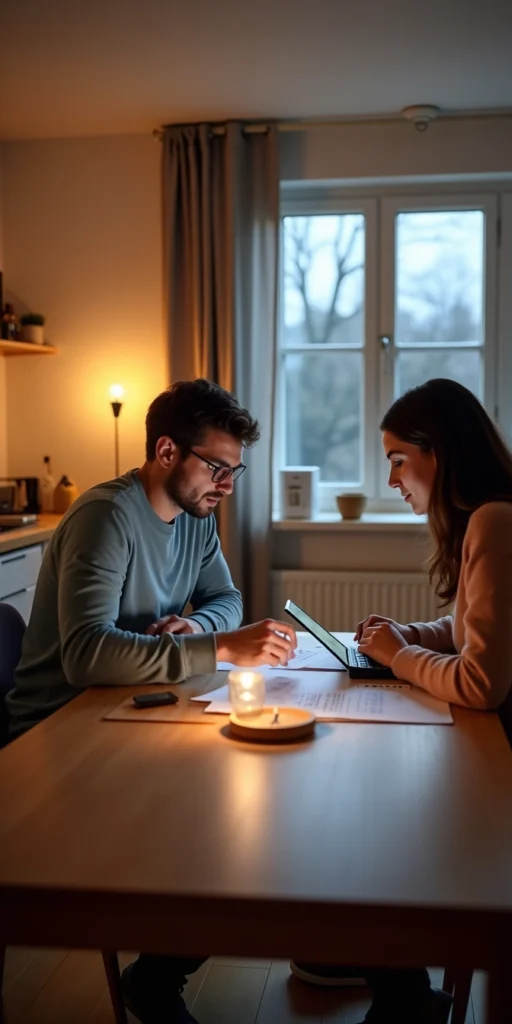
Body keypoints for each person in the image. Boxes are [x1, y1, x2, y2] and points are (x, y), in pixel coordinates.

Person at [6, 377, 297, 1024]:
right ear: (166, 452)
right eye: (216, 468)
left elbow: (225, 600)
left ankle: (160, 975)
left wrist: (197, 627)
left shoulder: (195, 519)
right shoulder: (105, 518)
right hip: (57, 739)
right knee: (224, 826)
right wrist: (220, 649)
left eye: (234, 472)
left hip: (133, 712)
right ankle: (158, 982)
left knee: (251, 808)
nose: (225, 486)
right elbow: (86, 657)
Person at [294, 378, 512, 1024]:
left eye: (398, 459)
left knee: (370, 825)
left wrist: (399, 656)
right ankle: (389, 971)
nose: (393, 479)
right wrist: (404, 637)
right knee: (373, 810)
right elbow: (467, 635)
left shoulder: (495, 524)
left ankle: (396, 988)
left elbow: (482, 683)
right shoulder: (496, 516)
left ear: (439, 452)